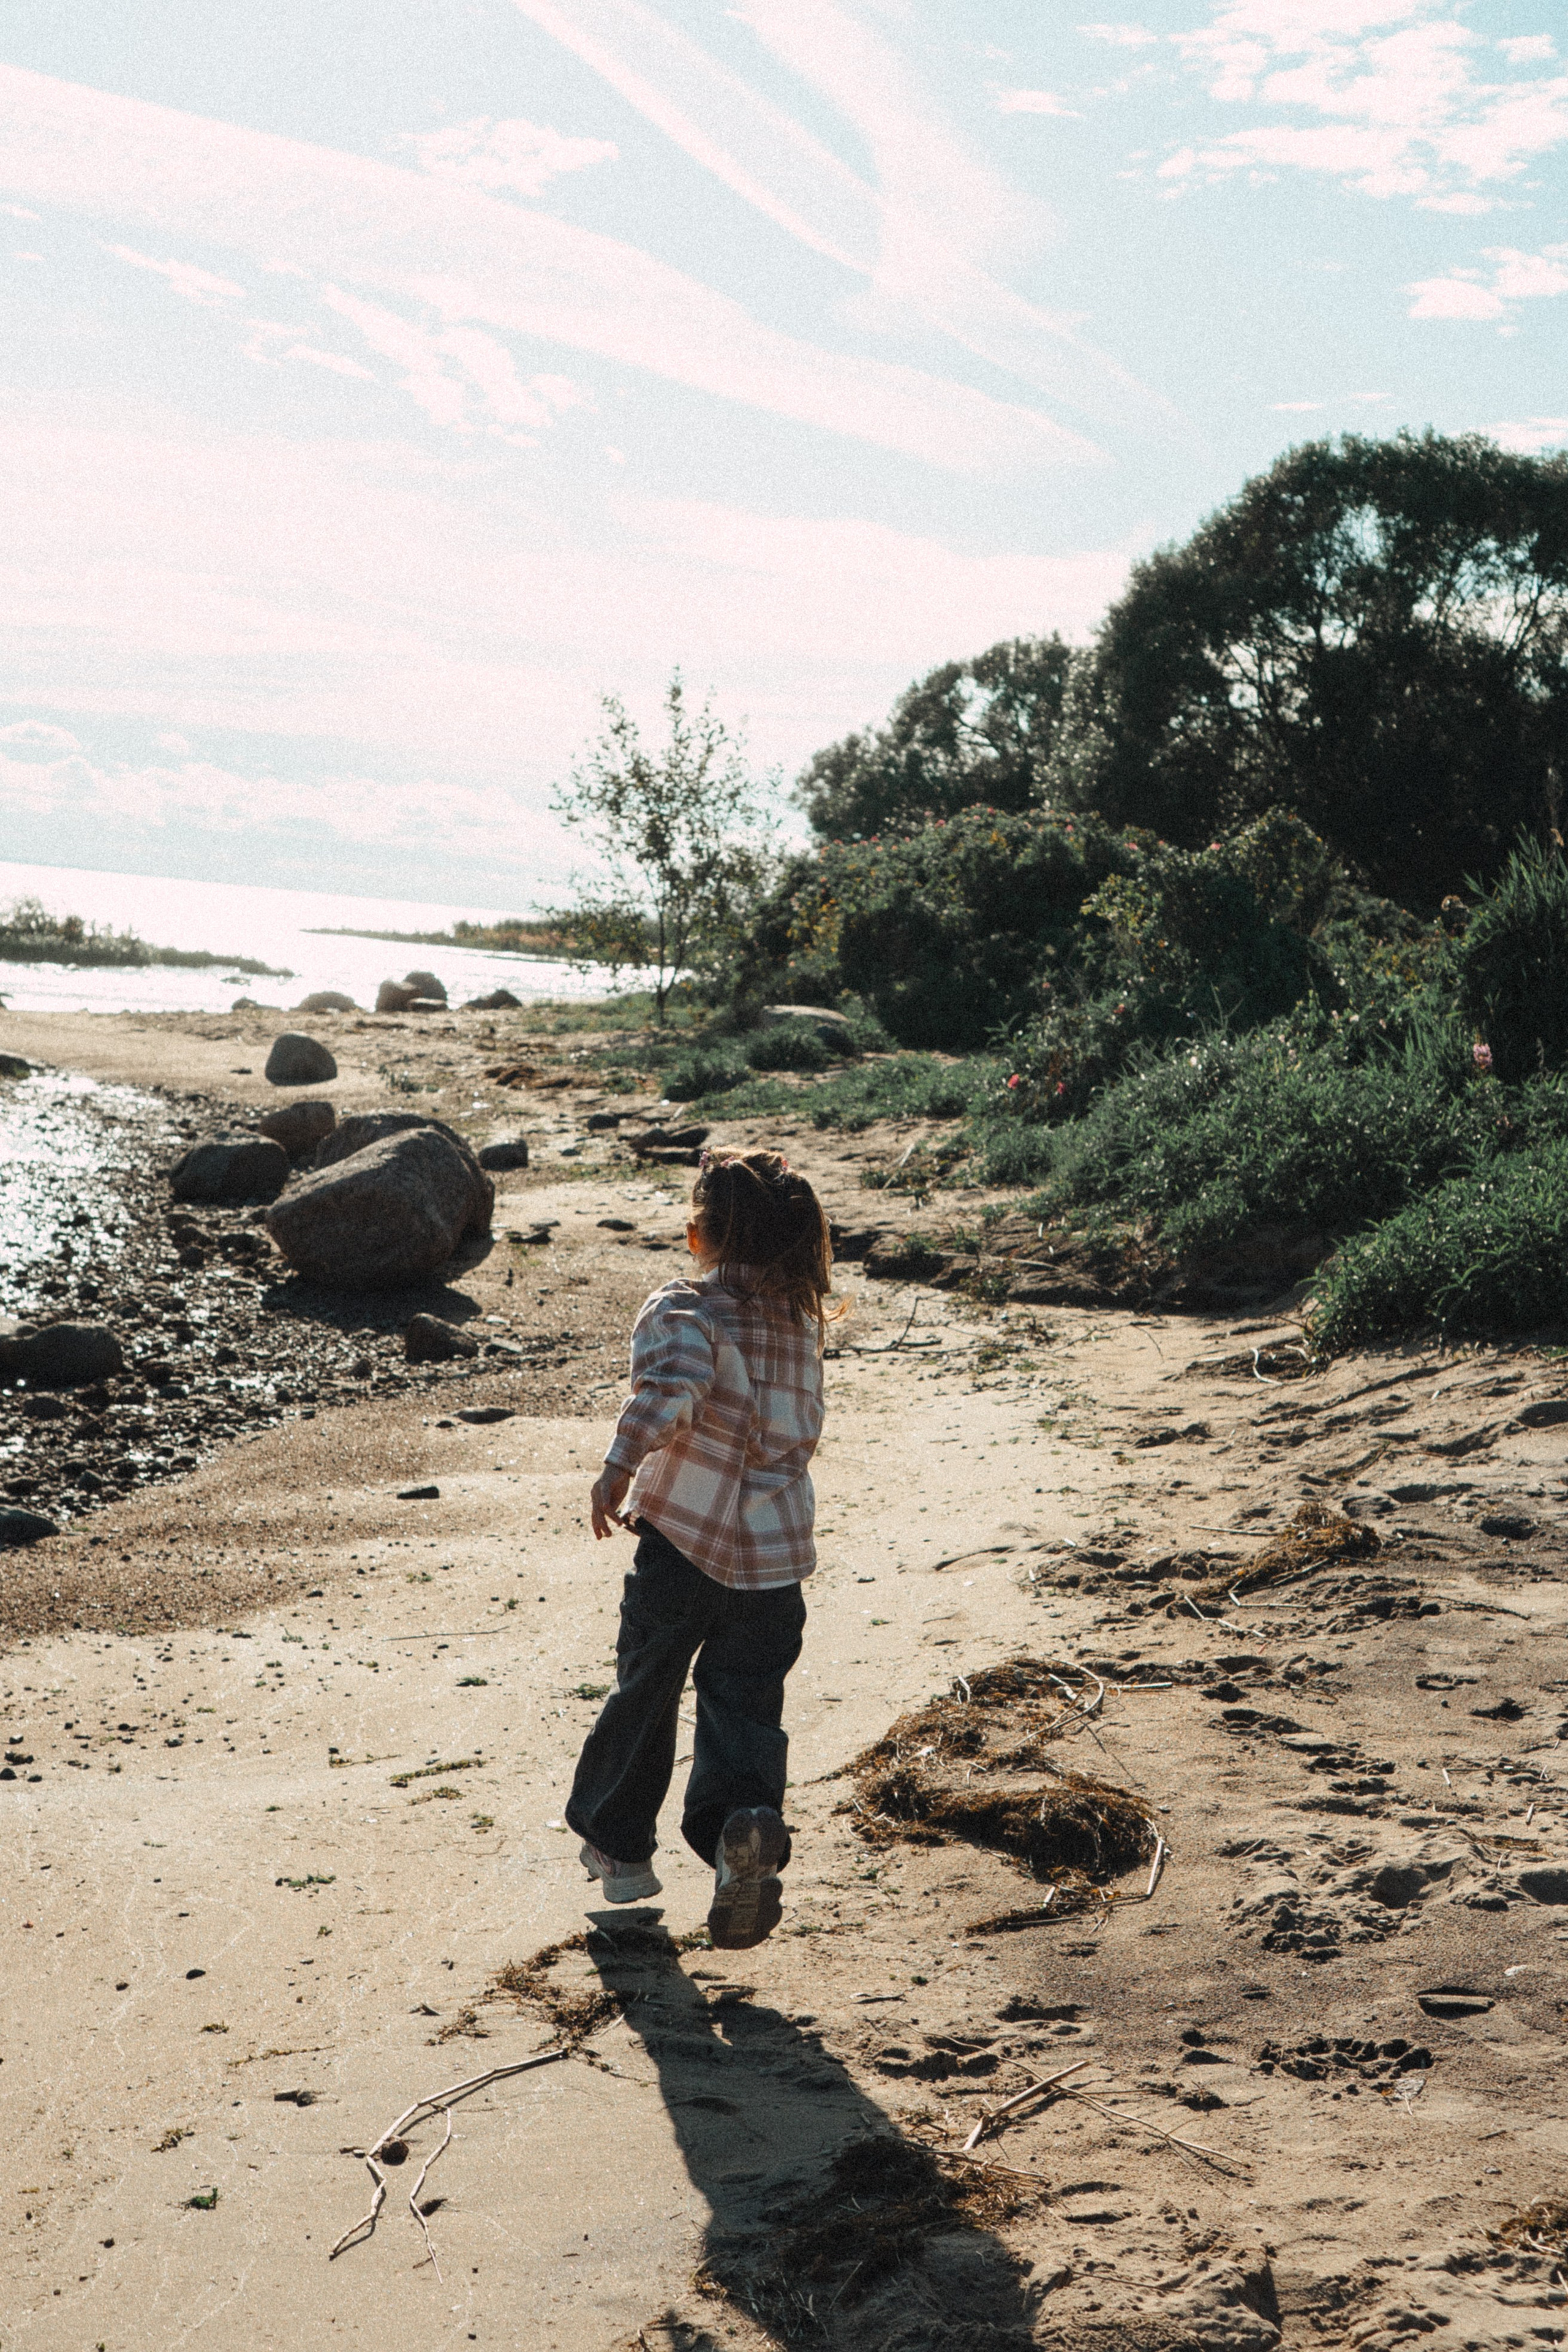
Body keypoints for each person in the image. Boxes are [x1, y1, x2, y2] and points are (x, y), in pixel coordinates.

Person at [565, 1147, 837, 1950]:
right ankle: (738, 1832)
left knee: (646, 1690)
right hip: (776, 1566)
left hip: (683, 1546)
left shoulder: (686, 1308)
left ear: (700, 1236)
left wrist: (617, 1469)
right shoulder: (797, 1327)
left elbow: (670, 1391)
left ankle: (620, 1853)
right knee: (745, 1706)